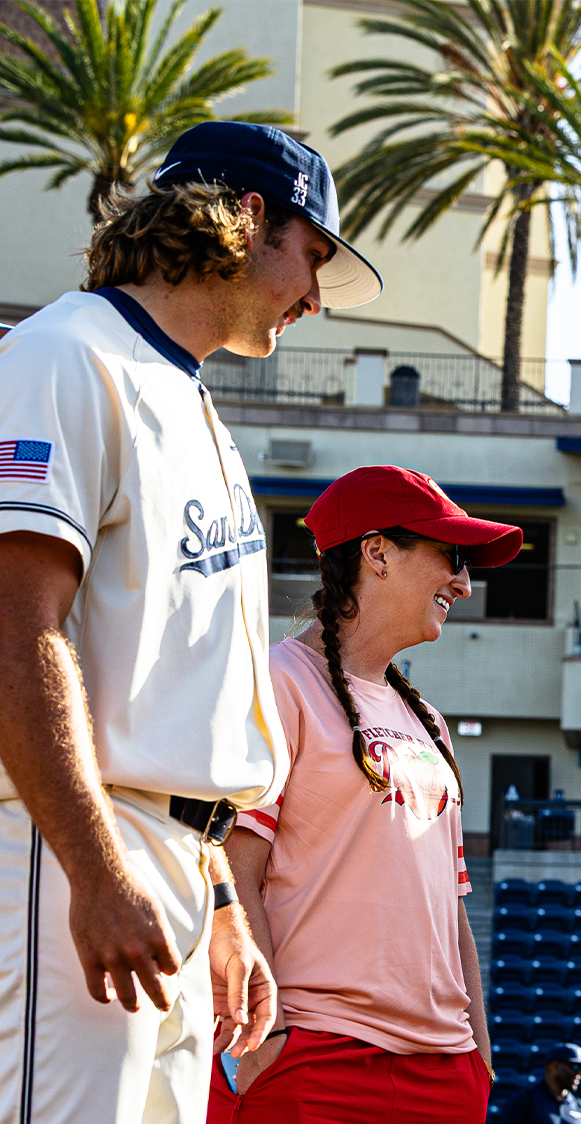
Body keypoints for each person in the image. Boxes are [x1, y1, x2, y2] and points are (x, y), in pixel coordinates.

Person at [0, 119, 380, 1120]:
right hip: (73, 841)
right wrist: (93, 868)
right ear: (249, 219)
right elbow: (15, 625)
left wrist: (216, 901)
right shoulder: (61, 355)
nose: (313, 295)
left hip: (171, 857)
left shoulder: (188, 396)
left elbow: (188, 693)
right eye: (312, 256)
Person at [209, 466, 519, 1121]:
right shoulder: (276, 683)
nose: (464, 583)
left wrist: (479, 1056)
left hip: (445, 1071)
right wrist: (277, 1042)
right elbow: (233, 870)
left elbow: (453, 907)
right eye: (452, 557)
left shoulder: (430, 721)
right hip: (317, 1059)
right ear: (376, 551)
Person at [495, 1043, 581, 1124]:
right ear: (555, 1066)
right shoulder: (526, 1100)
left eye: (580, 1068)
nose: (579, 1073)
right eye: (575, 1067)